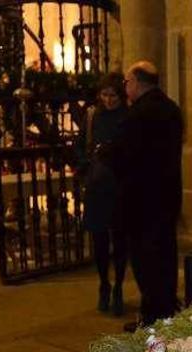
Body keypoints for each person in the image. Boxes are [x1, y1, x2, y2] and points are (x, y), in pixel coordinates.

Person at [114, 61, 183, 331]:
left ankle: (152, 317)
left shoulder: (139, 114)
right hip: (167, 196)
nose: (125, 88)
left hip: (142, 201)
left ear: (138, 83)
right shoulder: (172, 109)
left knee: (145, 261)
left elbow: (126, 156)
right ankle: (166, 312)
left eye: (126, 82)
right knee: (165, 256)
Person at [77, 73, 129, 315]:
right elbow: (82, 147)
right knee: (99, 238)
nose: (108, 100)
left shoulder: (128, 116)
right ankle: (104, 284)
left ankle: (118, 285)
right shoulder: (92, 116)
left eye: (113, 96)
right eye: (105, 95)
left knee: (119, 239)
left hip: (119, 183)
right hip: (98, 184)